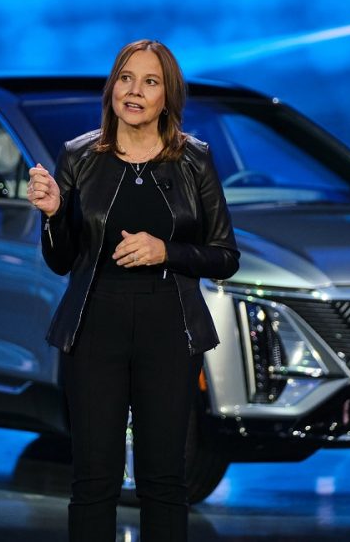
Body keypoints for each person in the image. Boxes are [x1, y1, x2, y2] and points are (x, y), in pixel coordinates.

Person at [27, 39, 239, 542]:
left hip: (168, 328)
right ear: (111, 87)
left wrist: (168, 252)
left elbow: (225, 256)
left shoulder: (194, 161)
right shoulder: (77, 158)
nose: (134, 91)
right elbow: (61, 262)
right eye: (125, 78)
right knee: (93, 481)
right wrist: (56, 214)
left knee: (164, 481)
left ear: (168, 96)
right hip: (96, 326)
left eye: (149, 81)